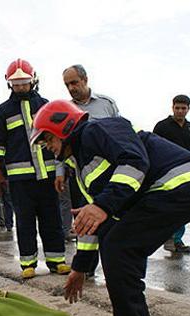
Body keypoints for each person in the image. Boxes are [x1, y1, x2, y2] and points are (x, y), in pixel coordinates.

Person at [30, 100, 190, 316]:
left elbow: (134, 161)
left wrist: (102, 206)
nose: (48, 148)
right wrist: (80, 268)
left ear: (63, 127)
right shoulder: (82, 165)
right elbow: (95, 223)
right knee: (113, 239)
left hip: (180, 185)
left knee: (120, 249)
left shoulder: (97, 130)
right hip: (169, 189)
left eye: (47, 139)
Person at [0, 58, 70, 279]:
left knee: (51, 219)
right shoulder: (2, 111)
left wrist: (62, 169)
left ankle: (56, 260)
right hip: (19, 179)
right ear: (8, 84)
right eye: (16, 84)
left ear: (33, 80)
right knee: (24, 222)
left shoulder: (46, 105)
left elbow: (59, 138)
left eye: (24, 83)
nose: (20, 87)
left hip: (48, 176)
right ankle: (28, 263)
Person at [61, 64, 121, 273]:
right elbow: (61, 145)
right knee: (83, 219)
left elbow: (121, 133)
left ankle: (112, 265)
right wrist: (60, 173)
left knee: (109, 217)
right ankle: (87, 267)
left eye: (74, 83)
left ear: (85, 80)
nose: (71, 88)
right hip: (81, 177)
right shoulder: (65, 111)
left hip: (109, 175)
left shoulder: (106, 104)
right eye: (67, 84)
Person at [154, 95, 190, 253]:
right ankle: (166, 236)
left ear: (188, 109)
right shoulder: (162, 126)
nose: (180, 111)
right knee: (170, 204)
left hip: (187, 171)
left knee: (183, 206)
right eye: (177, 108)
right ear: (172, 107)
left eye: (183, 108)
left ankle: (177, 240)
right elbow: (153, 147)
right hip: (167, 171)